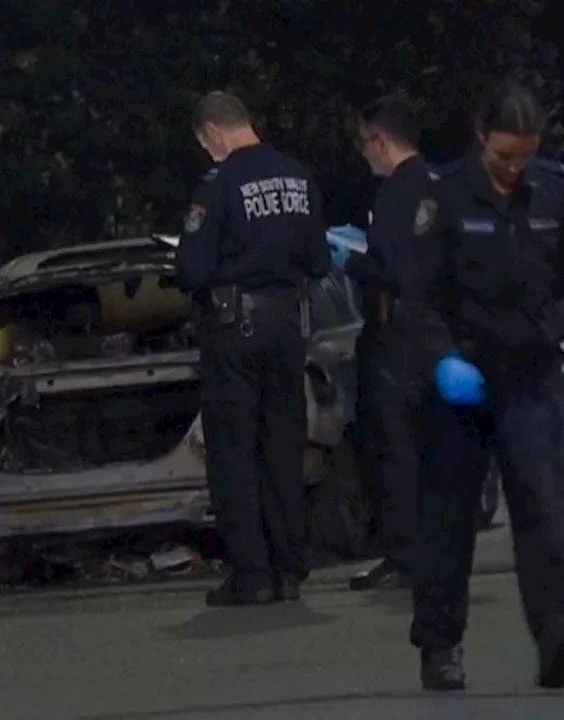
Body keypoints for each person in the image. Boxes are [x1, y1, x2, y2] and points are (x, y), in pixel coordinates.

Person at [401, 79, 564, 691]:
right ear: (482, 138)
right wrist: (442, 360)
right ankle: (440, 646)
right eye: (504, 155)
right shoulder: (445, 197)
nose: (512, 167)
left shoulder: (554, 191)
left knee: (545, 508)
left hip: (530, 373)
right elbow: (416, 297)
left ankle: (560, 630)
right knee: (448, 519)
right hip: (461, 382)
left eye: (523, 156)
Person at [175, 91, 331, 606]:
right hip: (289, 327)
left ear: (214, 133)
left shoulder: (217, 186)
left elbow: (191, 271)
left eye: (206, 145)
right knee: (283, 448)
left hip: (234, 329)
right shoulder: (299, 176)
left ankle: (253, 574)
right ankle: (290, 567)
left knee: (234, 452)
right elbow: (318, 261)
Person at [327, 94, 435, 592]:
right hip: (432, 333)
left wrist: (347, 258)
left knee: (394, 446)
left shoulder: (393, 192)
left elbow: (390, 269)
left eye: (365, 145)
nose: (363, 157)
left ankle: (405, 555)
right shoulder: (437, 184)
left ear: (380, 141)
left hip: (396, 334)